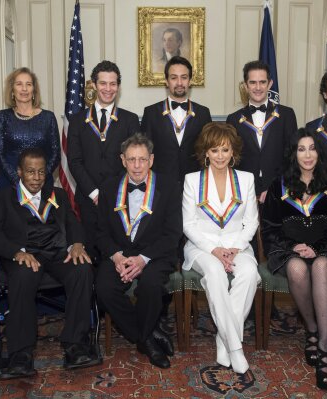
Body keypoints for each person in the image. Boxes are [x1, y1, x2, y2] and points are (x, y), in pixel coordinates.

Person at [0, 148, 99, 378]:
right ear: (19, 172)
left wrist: (77, 244)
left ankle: (75, 344)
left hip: (57, 253)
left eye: (41, 172)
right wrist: (16, 253)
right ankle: (20, 353)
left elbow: (74, 224)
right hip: (25, 255)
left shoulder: (58, 194)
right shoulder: (1, 197)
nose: (36, 178)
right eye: (30, 172)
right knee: (23, 275)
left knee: (82, 268)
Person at [262, 128, 327, 390]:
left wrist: (317, 247)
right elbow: (269, 227)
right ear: (294, 154)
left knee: (321, 266)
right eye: (301, 149)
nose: (307, 154)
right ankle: (311, 327)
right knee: (298, 270)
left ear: (319, 153)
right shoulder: (278, 186)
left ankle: (323, 348)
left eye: (312, 148)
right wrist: (294, 246)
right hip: (288, 248)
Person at [95, 133, 182, 369]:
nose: (136, 166)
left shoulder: (169, 187)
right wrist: (116, 256)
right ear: (122, 160)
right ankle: (146, 336)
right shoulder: (108, 187)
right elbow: (100, 232)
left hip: (154, 254)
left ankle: (145, 336)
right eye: (131, 159)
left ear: (151, 160)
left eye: (142, 159)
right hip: (119, 254)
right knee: (103, 288)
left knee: (151, 285)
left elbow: (173, 234)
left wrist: (143, 259)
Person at [182, 122, 260, 374]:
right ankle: (236, 348)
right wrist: (215, 250)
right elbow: (189, 225)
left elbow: (252, 221)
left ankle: (224, 339)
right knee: (215, 274)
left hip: (239, 245)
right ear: (205, 152)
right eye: (214, 150)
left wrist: (235, 248)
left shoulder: (246, 179)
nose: (219, 156)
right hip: (201, 247)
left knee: (248, 274)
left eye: (225, 150)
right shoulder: (192, 180)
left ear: (233, 152)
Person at [68, 60, 140, 262]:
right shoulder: (77, 121)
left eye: (113, 84)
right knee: (90, 255)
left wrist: (110, 193)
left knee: (116, 254)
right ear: (93, 85)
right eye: (103, 83)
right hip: (88, 199)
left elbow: (134, 162)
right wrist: (94, 192)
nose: (108, 89)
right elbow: (74, 161)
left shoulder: (130, 120)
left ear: (118, 86)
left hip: (120, 199)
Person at [226, 60, 298, 203]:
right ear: (246, 86)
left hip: (279, 191)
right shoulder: (233, 119)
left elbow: (292, 156)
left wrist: (277, 186)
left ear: (270, 84)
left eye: (262, 82)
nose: (258, 87)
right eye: (252, 82)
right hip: (243, 192)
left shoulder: (286, 115)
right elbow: (231, 160)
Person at [142, 56, 212, 184]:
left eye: (184, 77)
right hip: (160, 185)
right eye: (174, 77)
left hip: (196, 184)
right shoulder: (151, 113)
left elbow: (208, 152)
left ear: (190, 80)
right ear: (166, 81)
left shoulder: (203, 113)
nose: (179, 83)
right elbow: (145, 152)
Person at [0, 67, 60, 189]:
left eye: (28, 84)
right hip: (9, 185)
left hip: (41, 185)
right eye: (19, 84)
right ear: (12, 90)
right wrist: (18, 181)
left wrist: (38, 178)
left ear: (34, 90)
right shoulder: (2, 117)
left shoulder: (48, 117)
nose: (24, 89)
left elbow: (55, 154)